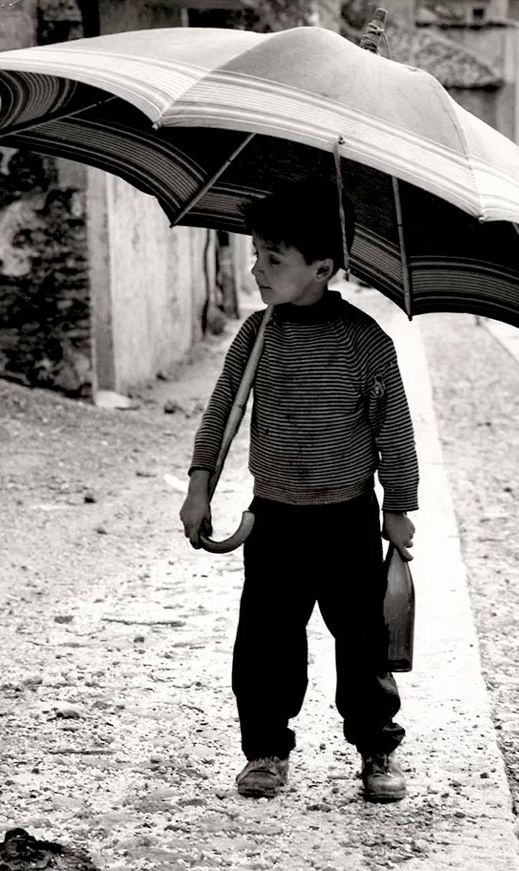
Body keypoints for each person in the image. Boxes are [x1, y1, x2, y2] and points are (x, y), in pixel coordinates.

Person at [179, 180, 419, 803]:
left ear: (322, 267)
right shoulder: (258, 333)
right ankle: (265, 750)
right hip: (274, 519)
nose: (256, 269)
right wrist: (199, 488)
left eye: (273, 259)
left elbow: (394, 428)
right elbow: (222, 413)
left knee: (363, 642)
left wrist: (398, 506)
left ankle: (375, 747)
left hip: (347, 520)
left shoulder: (365, 340)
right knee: (265, 640)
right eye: (255, 255)